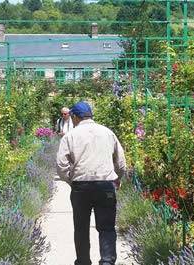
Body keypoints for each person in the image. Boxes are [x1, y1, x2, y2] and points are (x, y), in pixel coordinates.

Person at [56, 101, 127, 265]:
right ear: (90, 115)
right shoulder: (108, 133)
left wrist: (71, 180)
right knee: (107, 227)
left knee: (81, 227)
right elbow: (121, 163)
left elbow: (61, 166)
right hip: (105, 185)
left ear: (74, 116)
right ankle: (107, 261)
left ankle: (83, 261)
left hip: (81, 187)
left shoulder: (70, 136)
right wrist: (117, 178)